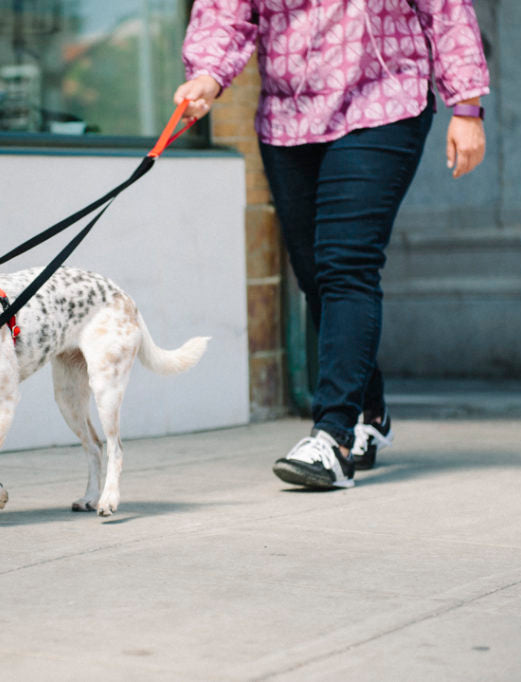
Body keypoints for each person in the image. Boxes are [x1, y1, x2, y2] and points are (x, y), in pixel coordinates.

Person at [175, 0, 489, 489]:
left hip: (383, 103)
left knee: (347, 264)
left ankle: (332, 438)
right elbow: (224, 12)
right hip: (288, 115)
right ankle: (370, 411)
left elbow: (447, 11)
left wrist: (466, 103)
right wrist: (208, 75)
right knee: (316, 276)